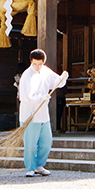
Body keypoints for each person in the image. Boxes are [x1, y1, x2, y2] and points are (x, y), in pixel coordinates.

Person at [17, 48, 67, 177]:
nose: (37, 67)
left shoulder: (46, 71)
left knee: (46, 141)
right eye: (35, 64)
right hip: (30, 113)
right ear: (31, 62)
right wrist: (40, 98)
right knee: (31, 144)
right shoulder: (26, 75)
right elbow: (25, 96)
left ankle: (39, 165)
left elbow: (57, 83)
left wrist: (62, 78)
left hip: (43, 113)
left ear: (44, 62)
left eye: (40, 64)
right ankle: (30, 167)